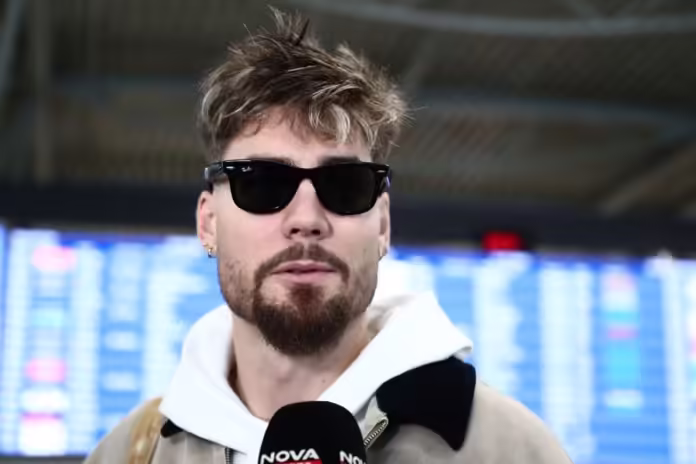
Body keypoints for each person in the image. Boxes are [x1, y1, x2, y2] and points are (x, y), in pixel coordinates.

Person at [84, 8, 572, 464]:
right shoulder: (130, 453)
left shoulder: (512, 449)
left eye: (345, 186)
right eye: (263, 183)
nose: (306, 218)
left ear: (382, 226)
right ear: (208, 223)